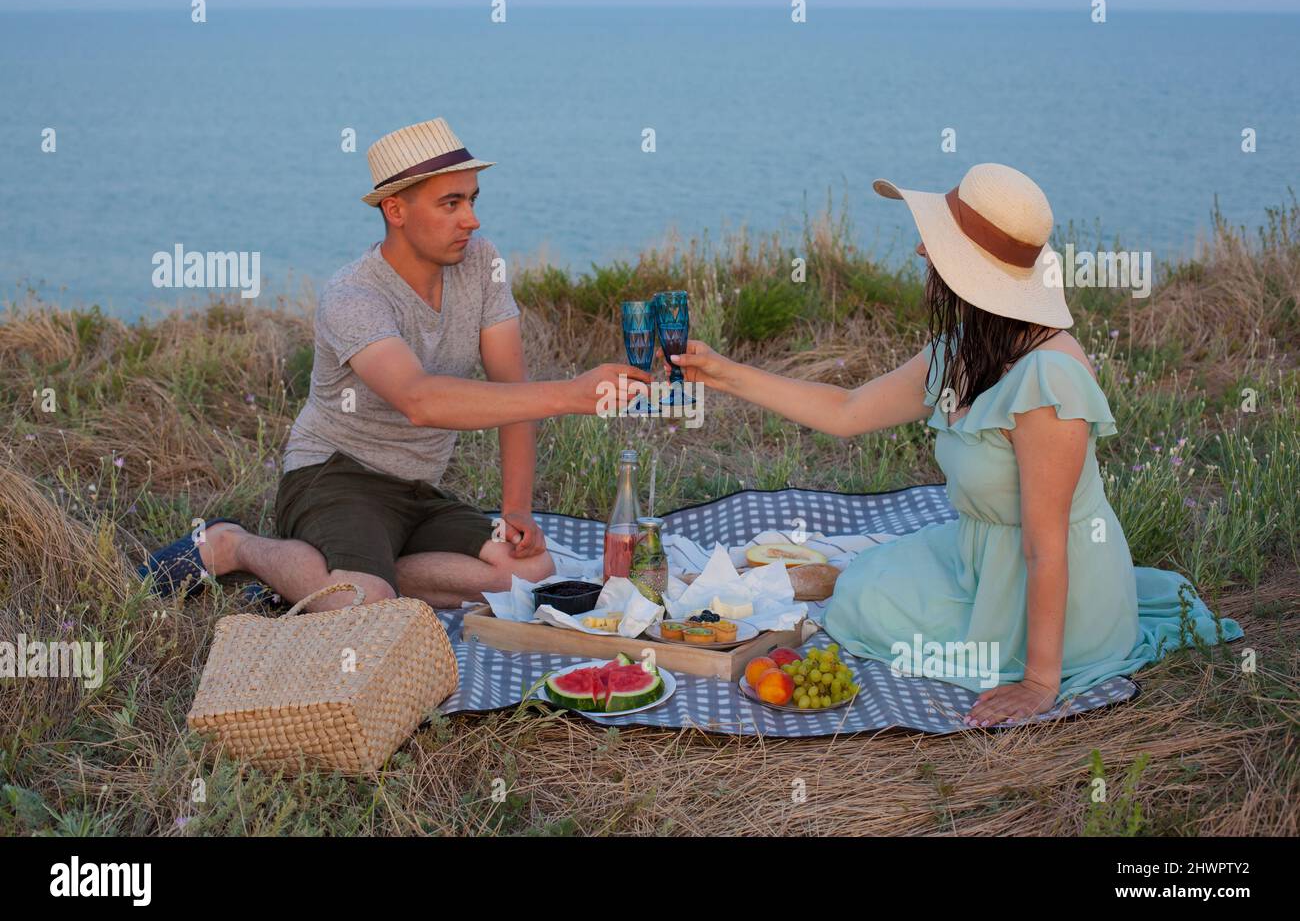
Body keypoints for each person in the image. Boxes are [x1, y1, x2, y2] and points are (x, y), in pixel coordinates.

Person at [663, 163, 1241, 726]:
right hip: (980, 560)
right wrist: (724, 372)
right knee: (865, 587)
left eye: (937, 242)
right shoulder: (968, 347)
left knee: (873, 607)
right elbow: (847, 411)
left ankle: (1031, 653)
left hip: (1050, 589)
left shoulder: (1049, 381)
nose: (920, 252)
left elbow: (1048, 547)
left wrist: (1040, 682)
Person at [140, 118, 649, 612]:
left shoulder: (481, 262)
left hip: (417, 490)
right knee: (365, 604)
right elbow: (419, 400)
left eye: (471, 200)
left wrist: (516, 509)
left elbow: (512, 393)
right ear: (395, 210)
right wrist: (571, 394)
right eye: (450, 204)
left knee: (533, 572)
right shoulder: (353, 295)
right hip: (335, 475)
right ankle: (233, 547)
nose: (470, 219)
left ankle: (319, 578)